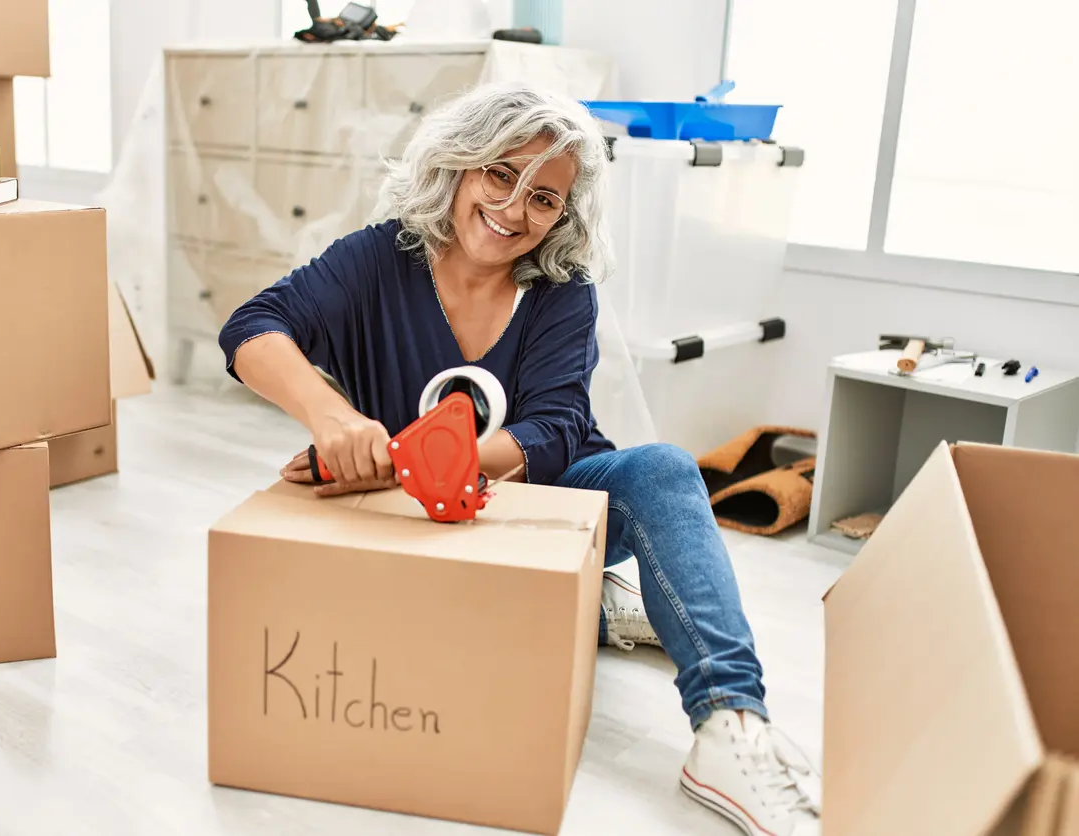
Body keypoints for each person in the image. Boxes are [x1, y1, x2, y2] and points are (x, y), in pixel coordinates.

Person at [219, 81, 821, 836]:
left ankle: (731, 728)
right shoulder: (378, 259)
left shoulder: (563, 290)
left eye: (545, 199)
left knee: (664, 468)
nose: (513, 210)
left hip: (550, 492)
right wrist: (335, 419)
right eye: (500, 175)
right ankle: (598, 608)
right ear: (460, 166)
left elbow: (558, 427)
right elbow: (253, 326)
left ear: (563, 216)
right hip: (425, 516)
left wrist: (420, 457)